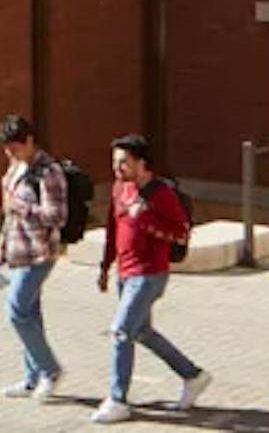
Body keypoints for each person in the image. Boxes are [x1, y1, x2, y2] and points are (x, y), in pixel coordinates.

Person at [90, 134, 206, 422]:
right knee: (141, 332)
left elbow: (180, 232)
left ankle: (118, 400)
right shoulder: (120, 188)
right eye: (115, 162)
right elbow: (113, 229)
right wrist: (105, 266)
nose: (117, 168)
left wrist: (146, 219)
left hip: (150, 274)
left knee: (120, 331)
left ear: (142, 164)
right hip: (125, 272)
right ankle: (193, 375)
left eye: (124, 162)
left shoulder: (161, 194)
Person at [0, 113, 68, 399]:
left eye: (15, 147)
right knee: (31, 314)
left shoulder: (49, 172)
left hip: (39, 254)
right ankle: (32, 377)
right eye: (7, 149)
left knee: (17, 311)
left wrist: (22, 206)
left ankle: (51, 370)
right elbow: (9, 216)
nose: (11, 154)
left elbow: (56, 216)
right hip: (17, 250)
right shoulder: (15, 168)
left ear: (30, 141)